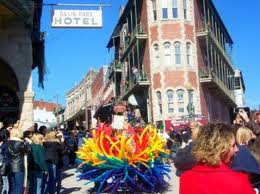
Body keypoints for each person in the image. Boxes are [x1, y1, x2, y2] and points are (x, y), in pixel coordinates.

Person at [180, 123, 255, 194]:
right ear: (221, 148)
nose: (237, 149)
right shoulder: (239, 180)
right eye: (233, 145)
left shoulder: (185, 178)